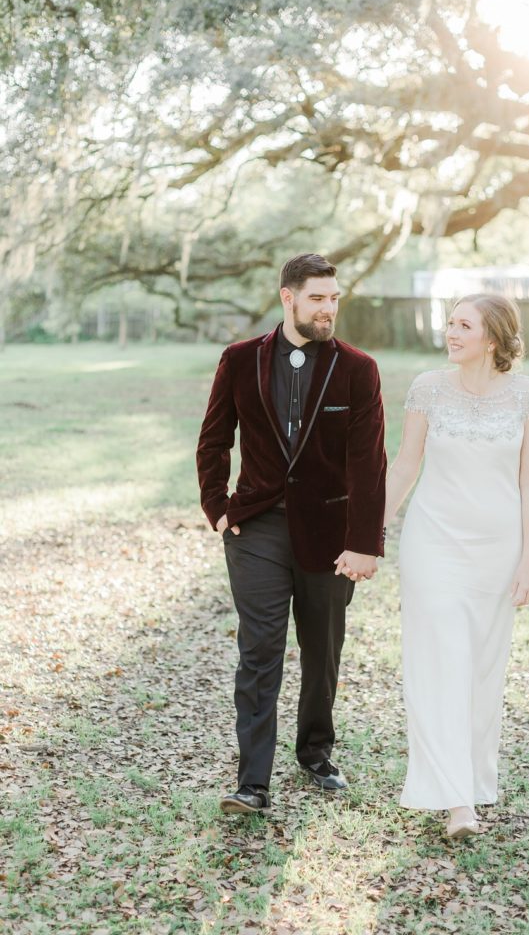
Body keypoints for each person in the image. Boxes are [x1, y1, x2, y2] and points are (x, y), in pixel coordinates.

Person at [196, 253, 386, 814]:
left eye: (334, 299)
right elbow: (213, 440)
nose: (329, 309)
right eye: (318, 299)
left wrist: (364, 541)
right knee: (259, 650)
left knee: (323, 648)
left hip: (330, 534)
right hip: (255, 527)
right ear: (288, 298)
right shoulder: (238, 360)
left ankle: (316, 751)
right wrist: (217, 507)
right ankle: (252, 782)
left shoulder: (358, 368)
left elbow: (367, 463)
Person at [384, 293, 529, 839]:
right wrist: (369, 528)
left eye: (463, 325)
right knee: (442, 662)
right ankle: (458, 804)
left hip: (496, 553)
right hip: (433, 544)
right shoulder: (427, 388)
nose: (450, 332)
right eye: (450, 322)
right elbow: (405, 464)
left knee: (481, 670)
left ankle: (471, 781)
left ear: (493, 339)